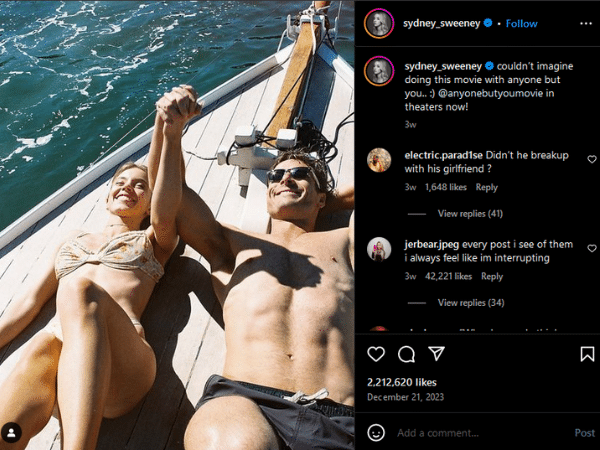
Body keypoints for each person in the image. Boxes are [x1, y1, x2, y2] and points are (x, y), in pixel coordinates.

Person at [149, 86, 355, 450]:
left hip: (340, 417)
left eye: (299, 175)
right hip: (244, 403)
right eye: (275, 177)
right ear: (266, 194)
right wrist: (169, 130)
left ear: (322, 197)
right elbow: (169, 201)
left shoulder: (346, 242)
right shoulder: (232, 243)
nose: (284, 179)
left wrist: (330, 201)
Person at [0, 119, 184, 449]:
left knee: (79, 289)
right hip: (59, 381)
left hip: (123, 371)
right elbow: (29, 301)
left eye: (140, 185)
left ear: (149, 204)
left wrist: (168, 130)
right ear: (106, 196)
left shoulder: (153, 240)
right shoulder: (73, 239)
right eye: (121, 181)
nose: (128, 187)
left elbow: (167, 210)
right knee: (40, 350)